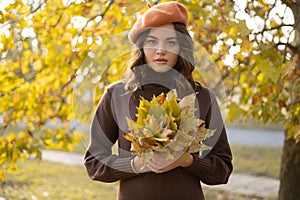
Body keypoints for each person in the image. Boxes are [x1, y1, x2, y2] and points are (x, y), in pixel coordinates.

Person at [84, 2, 233, 200]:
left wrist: (186, 161)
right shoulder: (117, 94)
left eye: (170, 42)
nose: (160, 50)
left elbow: (222, 169)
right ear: (142, 47)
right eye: (152, 41)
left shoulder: (202, 97)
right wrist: (135, 165)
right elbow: (94, 162)